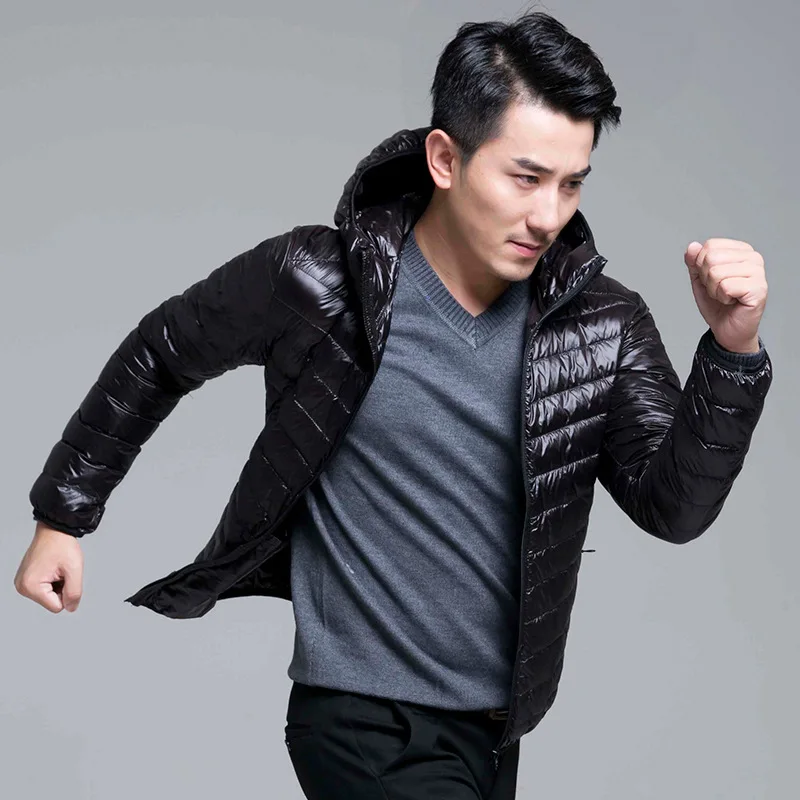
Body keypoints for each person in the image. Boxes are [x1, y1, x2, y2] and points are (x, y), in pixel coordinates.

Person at [15, 10, 771, 800]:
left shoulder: (602, 325)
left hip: (493, 734)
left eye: (571, 183)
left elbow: (672, 508)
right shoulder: (320, 282)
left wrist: (732, 349)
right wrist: (62, 516)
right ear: (445, 158)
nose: (549, 215)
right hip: (363, 724)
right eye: (525, 177)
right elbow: (162, 351)